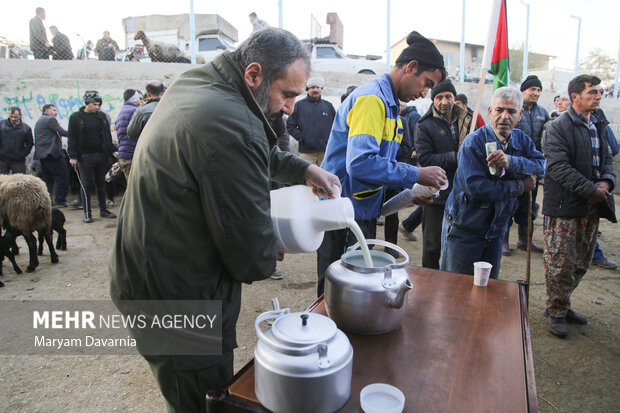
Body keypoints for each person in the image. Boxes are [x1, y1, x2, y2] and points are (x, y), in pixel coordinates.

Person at [108, 28, 339, 412]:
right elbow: (250, 251)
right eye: (287, 94)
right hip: (177, 298)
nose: (290, 108)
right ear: (253, 74)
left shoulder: (205, 84)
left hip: (155, 272)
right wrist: (271, 243)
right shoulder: (228, 119)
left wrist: (302, 170)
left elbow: (248, 150)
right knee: (200, 399)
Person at [317, 31, 448, 297]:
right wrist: (417, 174)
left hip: (358, 214)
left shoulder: (389, 106)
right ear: (410, 67)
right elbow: (361, 165)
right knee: (335, 293)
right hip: (342, 216)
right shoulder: (372, 100)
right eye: (426, 83)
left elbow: (378, 170)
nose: (424, 93)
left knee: (352, 291)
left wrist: (409, 195)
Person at [440, 87, 546, 279]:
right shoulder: (473, 143)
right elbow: (477, 188)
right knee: (455, 287)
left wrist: (511, 161)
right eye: (499, 110)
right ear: (490, 111)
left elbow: (541, 166)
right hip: (465, 230)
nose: (504, 117)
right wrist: (520, 186)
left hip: (496, 230)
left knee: (487, 288)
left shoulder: (522, 140)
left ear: (520, 114)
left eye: (511, 111)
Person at [542, 75, 616, 338]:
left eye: (599, 92)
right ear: (575, 97)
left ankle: (562, 303)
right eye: (592, 92)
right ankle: (556, 311)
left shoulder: (597, 125)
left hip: (592, 207)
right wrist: (592, 190)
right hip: (565, 207)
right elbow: (559, 167)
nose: (598, 96)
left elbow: (607, 159)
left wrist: (607, 182)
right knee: (560, 263)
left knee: (582, 262)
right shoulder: (558, 127)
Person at [415, 80, 473, 269]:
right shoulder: (424, 125)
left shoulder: (467, 120)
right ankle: (428, 284)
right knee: (432, 247)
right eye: (439, 98)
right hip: (437, 194)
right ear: (433, 100)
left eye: (448, 96)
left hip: (463, 193)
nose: (444, 101)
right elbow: (425, 158)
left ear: (454, 98)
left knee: (458, 245)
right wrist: (455, 157)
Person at [503, 75, 550, 255]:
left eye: (539, 90)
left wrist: (539, 167)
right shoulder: (514, 110)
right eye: (532, 89)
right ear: (523, 91)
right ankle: (503, 241)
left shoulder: (542, 113)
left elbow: (545, 141)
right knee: (508, 205)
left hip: (532, 168)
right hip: (512, 167)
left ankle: (525, 240)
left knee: (528, 207)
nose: (536, 93)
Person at [67, 91, 117, 223]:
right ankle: (87, 213)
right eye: (94, 104)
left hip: (101, 155)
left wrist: (111, 151)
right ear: (87, 104)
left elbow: (107, 136)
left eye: (98, 104)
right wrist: (73, 156)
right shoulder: (76, 117)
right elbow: (72, 137)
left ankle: (103, 210)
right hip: (84, 156)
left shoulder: (101, 116)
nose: (97, 107)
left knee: (101, 183)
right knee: (86, 185)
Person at [286, 75, 336, 166]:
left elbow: (336, 126)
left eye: (318, 87)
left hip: (325, 152)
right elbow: (290, 126)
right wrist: (303, 138)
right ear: (307, 89)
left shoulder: (328, 106)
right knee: (307, 178)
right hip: (306, 153)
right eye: (312, 87)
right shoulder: (299, 106)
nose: (315, 90)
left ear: (321, 89)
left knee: (326, 177)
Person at [34, 104, 70, 206]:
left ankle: (47, 199)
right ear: (46, 111)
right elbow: (62, 132)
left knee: (47, 178)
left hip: (43, 154)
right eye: (53, 110)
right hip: (52, 153)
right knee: (63, 175)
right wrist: (75, 133)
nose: (55, 112)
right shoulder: (50, 120)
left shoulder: (41, 120)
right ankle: (60, 199)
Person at [115, 89, 142, 180]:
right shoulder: (135, 111)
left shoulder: (122, 111)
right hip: (132, 154)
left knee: (131, 185)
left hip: (124, 154)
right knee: (136, 187)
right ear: (135, 99)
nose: (141, 101)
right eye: (140, 98)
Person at [0, 107, 34, 174]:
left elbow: (30, 143)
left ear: (20, 115)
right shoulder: (1, 125)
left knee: (19, 182)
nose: (13, 119)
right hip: (2, 160)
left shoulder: (26, 128)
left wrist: (23, 154)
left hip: (18, 161)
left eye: (15, 117)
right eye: (11, 116)